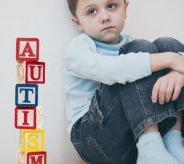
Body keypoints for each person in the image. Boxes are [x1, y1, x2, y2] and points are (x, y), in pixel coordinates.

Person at [64, 0, 184, 163]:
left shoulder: (134, 44)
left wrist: (177, 73)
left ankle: (172, 142)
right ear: (78, 22)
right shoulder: (78, 48)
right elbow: (109, 70)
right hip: (94, 138)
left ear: (125, 8)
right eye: (91, 11)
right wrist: (171, 60)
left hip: (133, 142)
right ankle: (151, 148)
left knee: (167, 44)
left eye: (111, 6)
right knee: (142, 53)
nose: (105, 17)